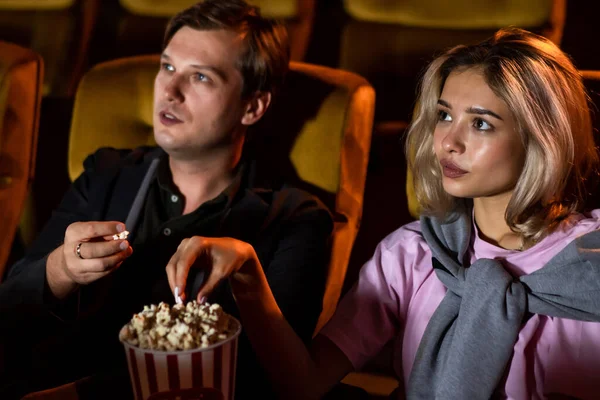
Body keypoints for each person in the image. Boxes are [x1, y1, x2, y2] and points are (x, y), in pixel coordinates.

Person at [161, 27, 600, 399]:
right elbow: (305, 383)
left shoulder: (592, 258)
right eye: (444, 116)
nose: (448, 141)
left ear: (543, 138)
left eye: (481, 123)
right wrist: (249, 278)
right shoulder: (408, 255)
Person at [0, 1, 332, 399]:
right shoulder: (107, 175)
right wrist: (59, 270)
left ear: (253, 106)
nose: (170, 91)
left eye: (201, 78)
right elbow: (8, 312)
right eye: (168, 67)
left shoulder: (294, 218)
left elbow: (268, 379)